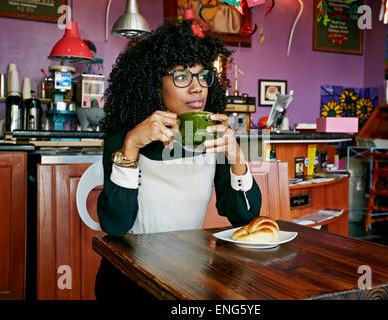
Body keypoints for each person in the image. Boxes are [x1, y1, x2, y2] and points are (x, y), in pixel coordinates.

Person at [94, 19, 262, 300]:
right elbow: (115, 225)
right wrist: (132, 145)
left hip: (188, 274)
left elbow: (244, 216)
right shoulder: (124, 138)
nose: (197, 88)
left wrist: (237, 158)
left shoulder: (213, 138)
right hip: (128, 279)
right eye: (182, 77)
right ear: (153, 85)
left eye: (203, 76)